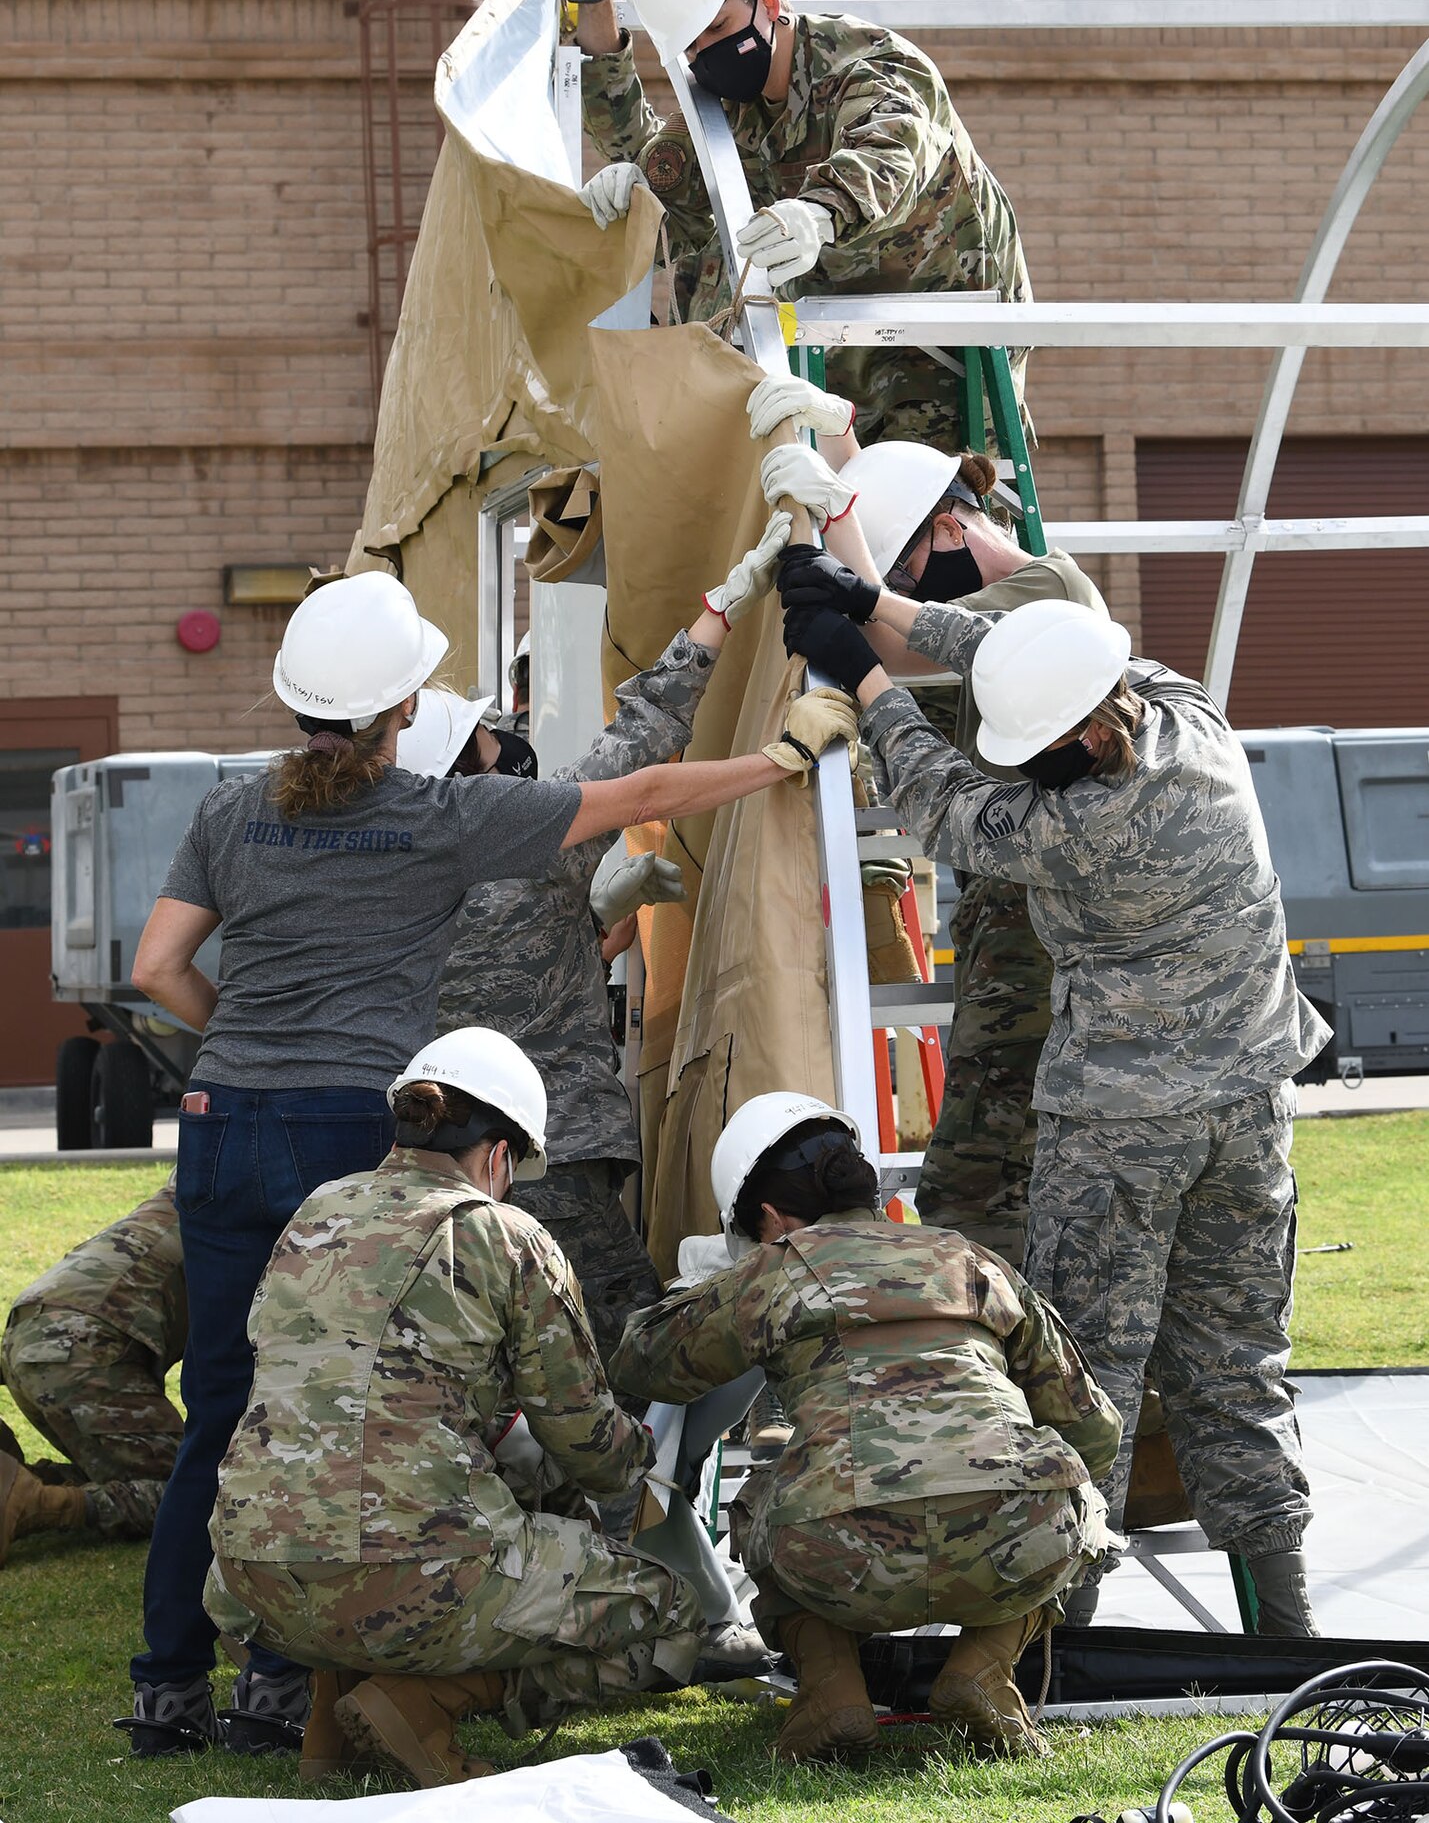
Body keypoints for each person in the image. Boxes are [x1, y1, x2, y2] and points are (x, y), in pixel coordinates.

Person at [121, 564, 855, 1754]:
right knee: (319, 1387)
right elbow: (648, 782)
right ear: (404, 707)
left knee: (220, 1409)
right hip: (338, 1125)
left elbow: (157, 967)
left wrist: (244, 1050)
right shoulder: (439, 819)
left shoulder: (229, 810)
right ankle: (274, 1683)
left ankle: (168, 1688)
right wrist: (779, 759)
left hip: (220, 1118)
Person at [776, 571, 1332, 1635]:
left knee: (1087, 1371)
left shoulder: (1077, 826)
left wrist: (866, 673)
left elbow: (944, 804)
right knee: (1237, 1366)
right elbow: (1029, 650)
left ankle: (1054, 1634)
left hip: (1123, 1131)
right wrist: (881, 599)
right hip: (1251, 1116)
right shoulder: (1188, 716)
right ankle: (1287, 1631)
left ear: (1073, 738)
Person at [205, 1028, 706, 1790]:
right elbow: (581, 1436)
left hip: (251, 1585)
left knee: (363, 1553)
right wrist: (640, 1464)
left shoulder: (316, 1211)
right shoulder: (503, 1233)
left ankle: (330, 1724)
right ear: (499, 1155)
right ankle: (419, 1700)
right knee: (666, 1612)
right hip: (412, 1578)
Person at [609, 1091, 1120, 1762]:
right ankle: (981, 1669)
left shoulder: (776, 1267)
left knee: (763, 1503)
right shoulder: (971, 1260)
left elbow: (642, 1366)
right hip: (1009, 1545)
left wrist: (701, 1288)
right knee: (1075, 1500)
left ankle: (831, 1692)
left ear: (765, 1215)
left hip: (841, 1553)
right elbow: (1091, 1428)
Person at [753, 415, 1107, 1263]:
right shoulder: (997, 597)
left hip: (1044, 932)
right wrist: (836, 446)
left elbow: (887, 636)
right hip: (1013, 922)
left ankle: (981, 1355)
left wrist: (843, 571)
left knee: (975, 1179)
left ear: (953, 526)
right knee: (1012, 1173)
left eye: (913, 565)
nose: (915, 587)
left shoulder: (1046, 595)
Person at [410, 557, 769, 1391]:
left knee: (496, 1354)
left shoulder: (386, 874)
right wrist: (719, 607)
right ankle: (633, 1501)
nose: (507, 734)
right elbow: (643, 741)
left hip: (438, 1160)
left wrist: (601, 921)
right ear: (475, 768)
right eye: (489, 733)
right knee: (628, 1346)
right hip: (556, 1150)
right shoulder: (537, 842)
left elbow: (518, 966)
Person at [573, 0, 1031, 450]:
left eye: (718, 28)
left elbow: (888, 150)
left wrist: (819, 212)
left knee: (934, 512)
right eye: (692, 48)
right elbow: (675, 198)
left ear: (769, 2)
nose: (710, 54)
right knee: (822, 507)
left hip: (942, 339)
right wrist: (634, 198)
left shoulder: (866, 65)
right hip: (832, 341)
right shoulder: (724, 108)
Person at [1, 1181, 184, 1560]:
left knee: (137, 1472)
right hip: (81, 1350)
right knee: (202, 1493)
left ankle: (19, 1483)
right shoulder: (275, 1215)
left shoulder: (198, 1184)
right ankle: (38, 1502)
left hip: (30, 1334)